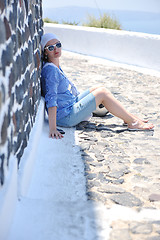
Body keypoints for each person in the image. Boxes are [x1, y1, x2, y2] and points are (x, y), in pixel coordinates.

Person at [40, 33, 154, 139]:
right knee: (102, 93)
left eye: (58, 45)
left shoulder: (54, 66)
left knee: (97, 88)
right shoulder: (51, 70)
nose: (56, 49)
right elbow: (51, 98)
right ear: (45, 52)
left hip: (69, 104)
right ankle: (133, 122)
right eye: (50, 47)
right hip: (65, 116)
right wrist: (53, 128)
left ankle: (129, 117)